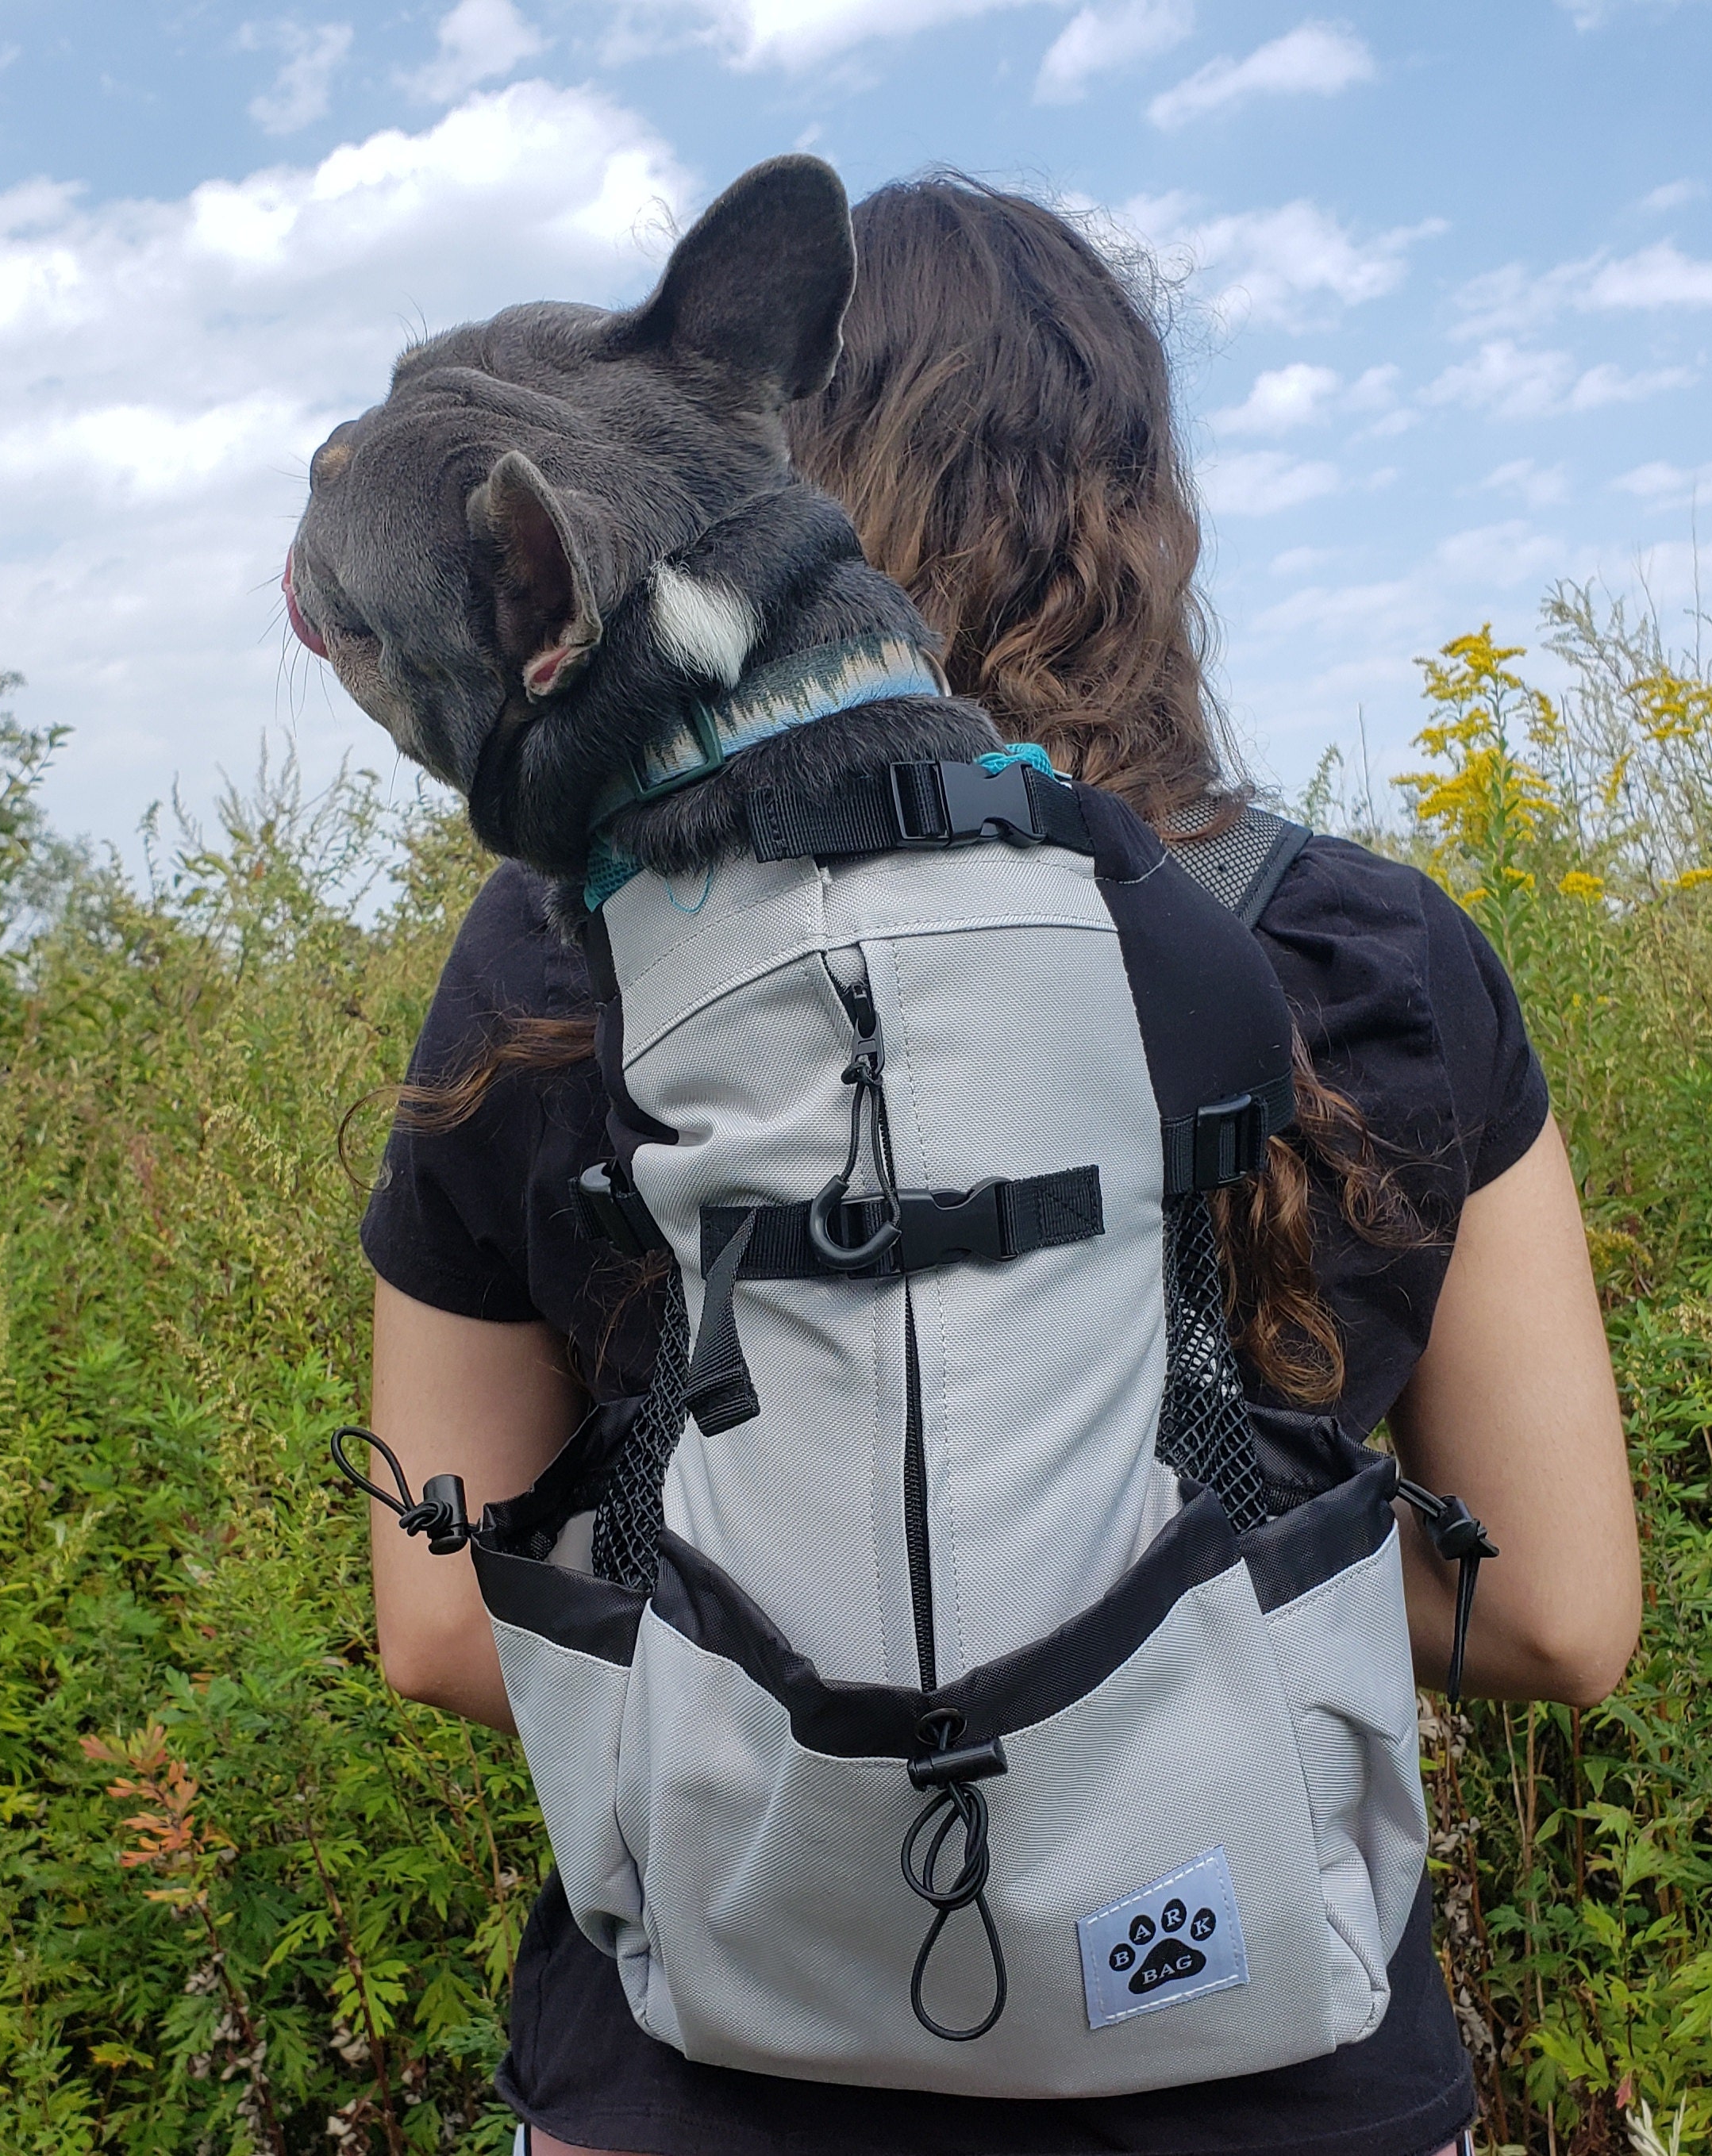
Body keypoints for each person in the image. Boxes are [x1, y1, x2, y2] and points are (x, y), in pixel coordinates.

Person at [355, 175, 1641, 2156]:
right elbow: (1557, 1618)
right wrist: (1136, 1593)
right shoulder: (1370, 950)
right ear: (1144, 510)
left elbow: (444, 1626)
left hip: (705, 2067)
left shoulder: (563, 956)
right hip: (1265, 2060)